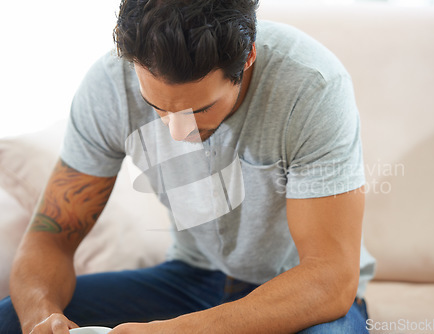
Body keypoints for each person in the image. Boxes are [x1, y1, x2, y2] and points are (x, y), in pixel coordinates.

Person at [0, 0, 376, 332]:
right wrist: (39, 318)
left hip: (293, 291)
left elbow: (330, 277)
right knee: (10, 319)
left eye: (200, 109)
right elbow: (52, 238)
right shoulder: (109, 86)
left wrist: (180, 331)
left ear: (248, 59)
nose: (178, 133)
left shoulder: (312, 87)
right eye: (157, 107)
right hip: (191, 278)